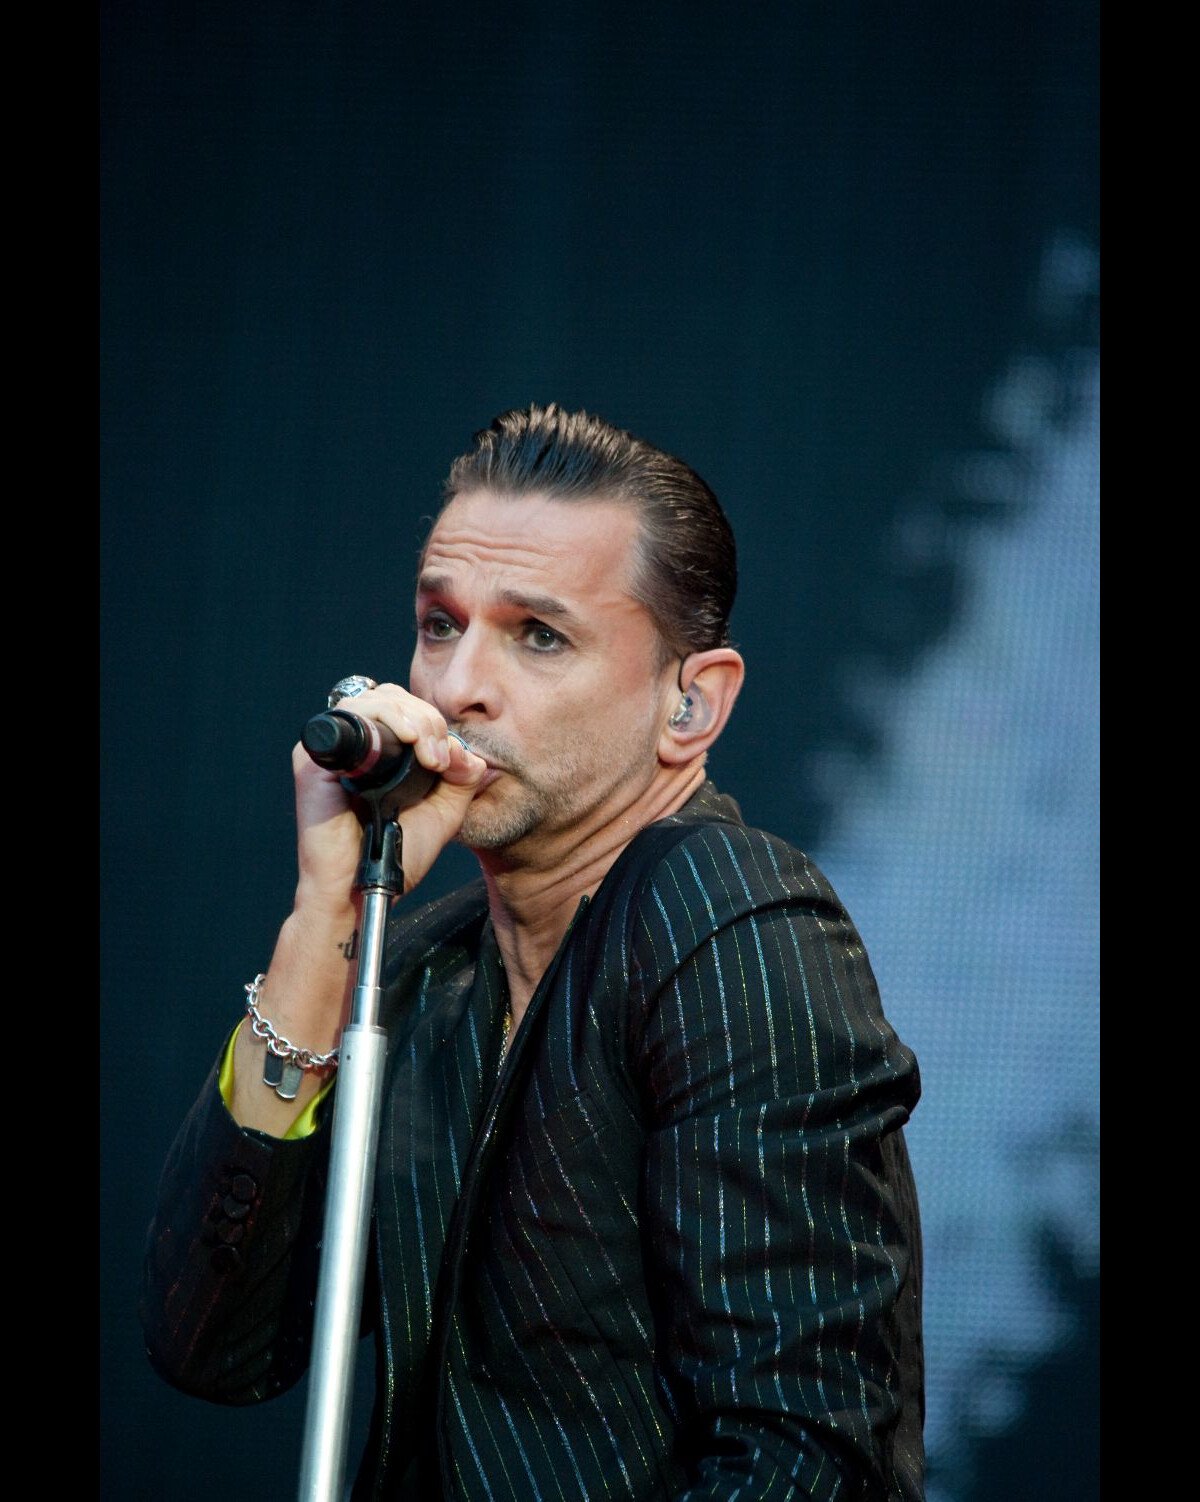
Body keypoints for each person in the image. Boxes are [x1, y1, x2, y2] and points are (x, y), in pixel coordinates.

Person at [141, 403, 925, 1501]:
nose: (456, 685)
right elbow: (210, 1345)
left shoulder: (720, 905)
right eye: (438, 622)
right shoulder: (417, 963)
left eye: (537, 635)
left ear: (690, 703)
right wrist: (325, 922)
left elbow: (804, 1456)